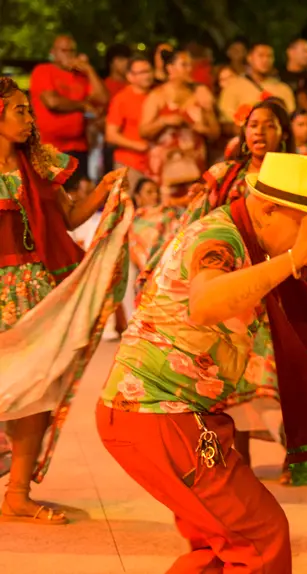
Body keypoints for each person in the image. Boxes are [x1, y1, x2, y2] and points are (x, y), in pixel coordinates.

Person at [98, 152, 307, 571]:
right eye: (306, 228)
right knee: (261, 536)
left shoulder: (257, 234)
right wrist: (292, 259)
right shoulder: (219, 238)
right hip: (158, 413)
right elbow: (205, 302)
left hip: (165, 414)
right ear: (269, 208)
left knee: (219, 547)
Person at [0, 78, 130, 525]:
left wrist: (105, 189)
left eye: (28, 110)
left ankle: (17, 494)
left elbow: (70, 217)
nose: (29, 119)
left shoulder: (38, 163)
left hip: (36, 289)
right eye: (20, 110)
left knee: (37, 391)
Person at [139, 47, 219, 199]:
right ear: (170, 68)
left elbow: (215, 132)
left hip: (194, 168)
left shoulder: (200, 94)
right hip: (165, 169)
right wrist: (164, 121)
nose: (189, 69)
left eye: (190, 65)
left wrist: (202, 129)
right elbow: (143, 131)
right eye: (184, 65)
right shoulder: (157, 95)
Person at [29, 35, 109, 179]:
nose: (68, 55)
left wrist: (89, 69)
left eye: (71, 51)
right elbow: (52, 102)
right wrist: (83, 105)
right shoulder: (43, 71)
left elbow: (102, 99)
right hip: (48, 147)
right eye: (63, 50)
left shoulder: (81, 76)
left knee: (80, 190)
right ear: (53, 52)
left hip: (77, 147)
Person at [218, 43, 296, 137]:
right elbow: (224, 123)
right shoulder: (233, 88)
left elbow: (291, 121)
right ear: (249, 58)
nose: (265, 60)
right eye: (261, 56)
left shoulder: (283, 89)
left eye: (269, 56)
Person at [106, 55, 155, 191]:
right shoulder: (121, 99)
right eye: (142, 72)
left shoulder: (158, 95)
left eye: (149, 71)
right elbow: (111, 135)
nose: (147, 76)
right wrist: (137, 146)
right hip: (130, 163)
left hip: (154, 164)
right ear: (130, 76)